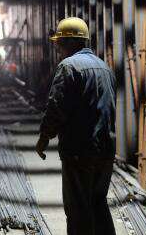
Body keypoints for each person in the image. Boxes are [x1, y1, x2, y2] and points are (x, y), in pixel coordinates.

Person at [35, 17, 116, 235]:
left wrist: (44, 137)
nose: (58, 49)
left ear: (70, 43)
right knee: (98, 204)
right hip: (105, 150)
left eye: (59, 44)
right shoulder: (104, 68)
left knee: (78, 209)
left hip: (79, 151)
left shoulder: (68, 67)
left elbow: (56, 106)